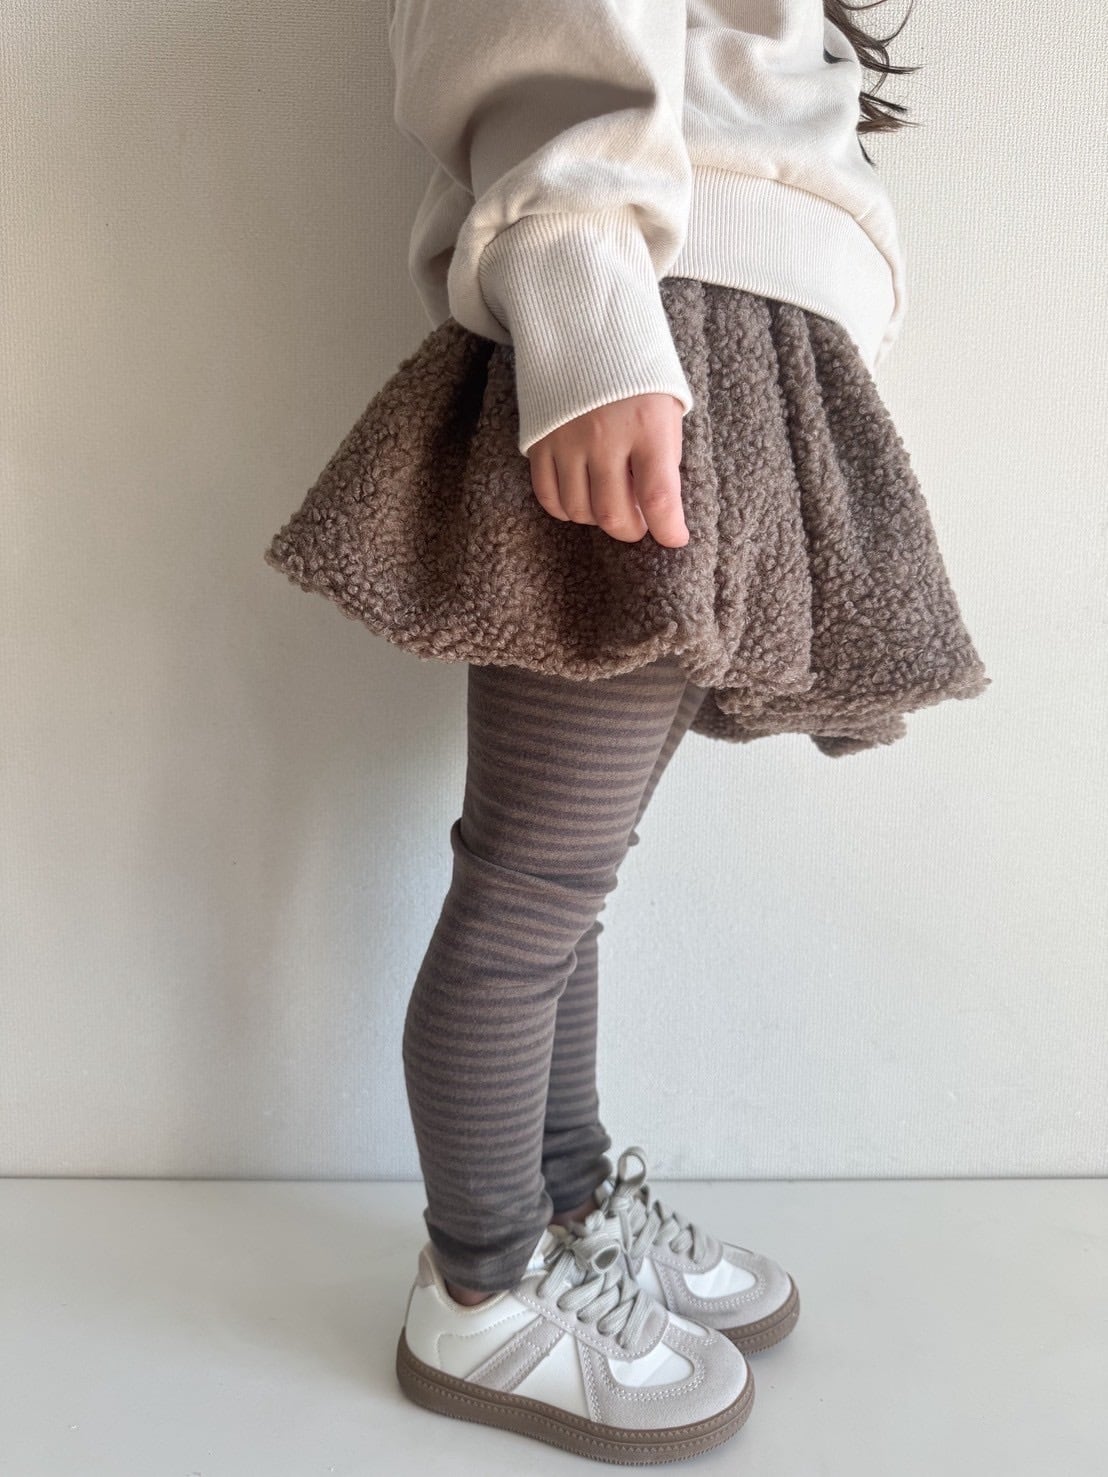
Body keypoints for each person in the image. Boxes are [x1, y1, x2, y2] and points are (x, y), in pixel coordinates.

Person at [264, 0, 989, 1461]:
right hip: (654, 348)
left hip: (726, 359)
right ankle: (477, 1285)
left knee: (562, 887)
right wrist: (590, 318)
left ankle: (569, 1205)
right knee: (530, 887)